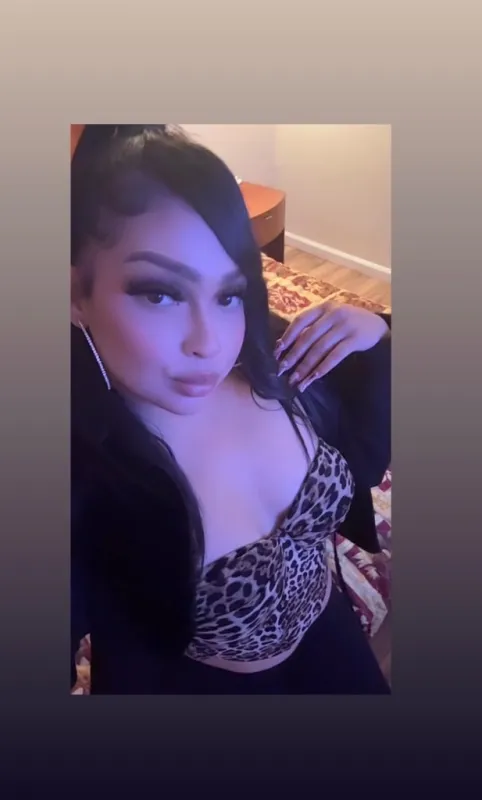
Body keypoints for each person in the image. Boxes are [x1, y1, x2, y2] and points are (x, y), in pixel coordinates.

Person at [71, 124, 391, 694]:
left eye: (229, 294)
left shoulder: (275, 357)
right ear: (75, 293)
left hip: (335, 643)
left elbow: (363, 452)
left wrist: (377, 334)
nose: (210, 343)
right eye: (160, 293)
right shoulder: (81, 476)